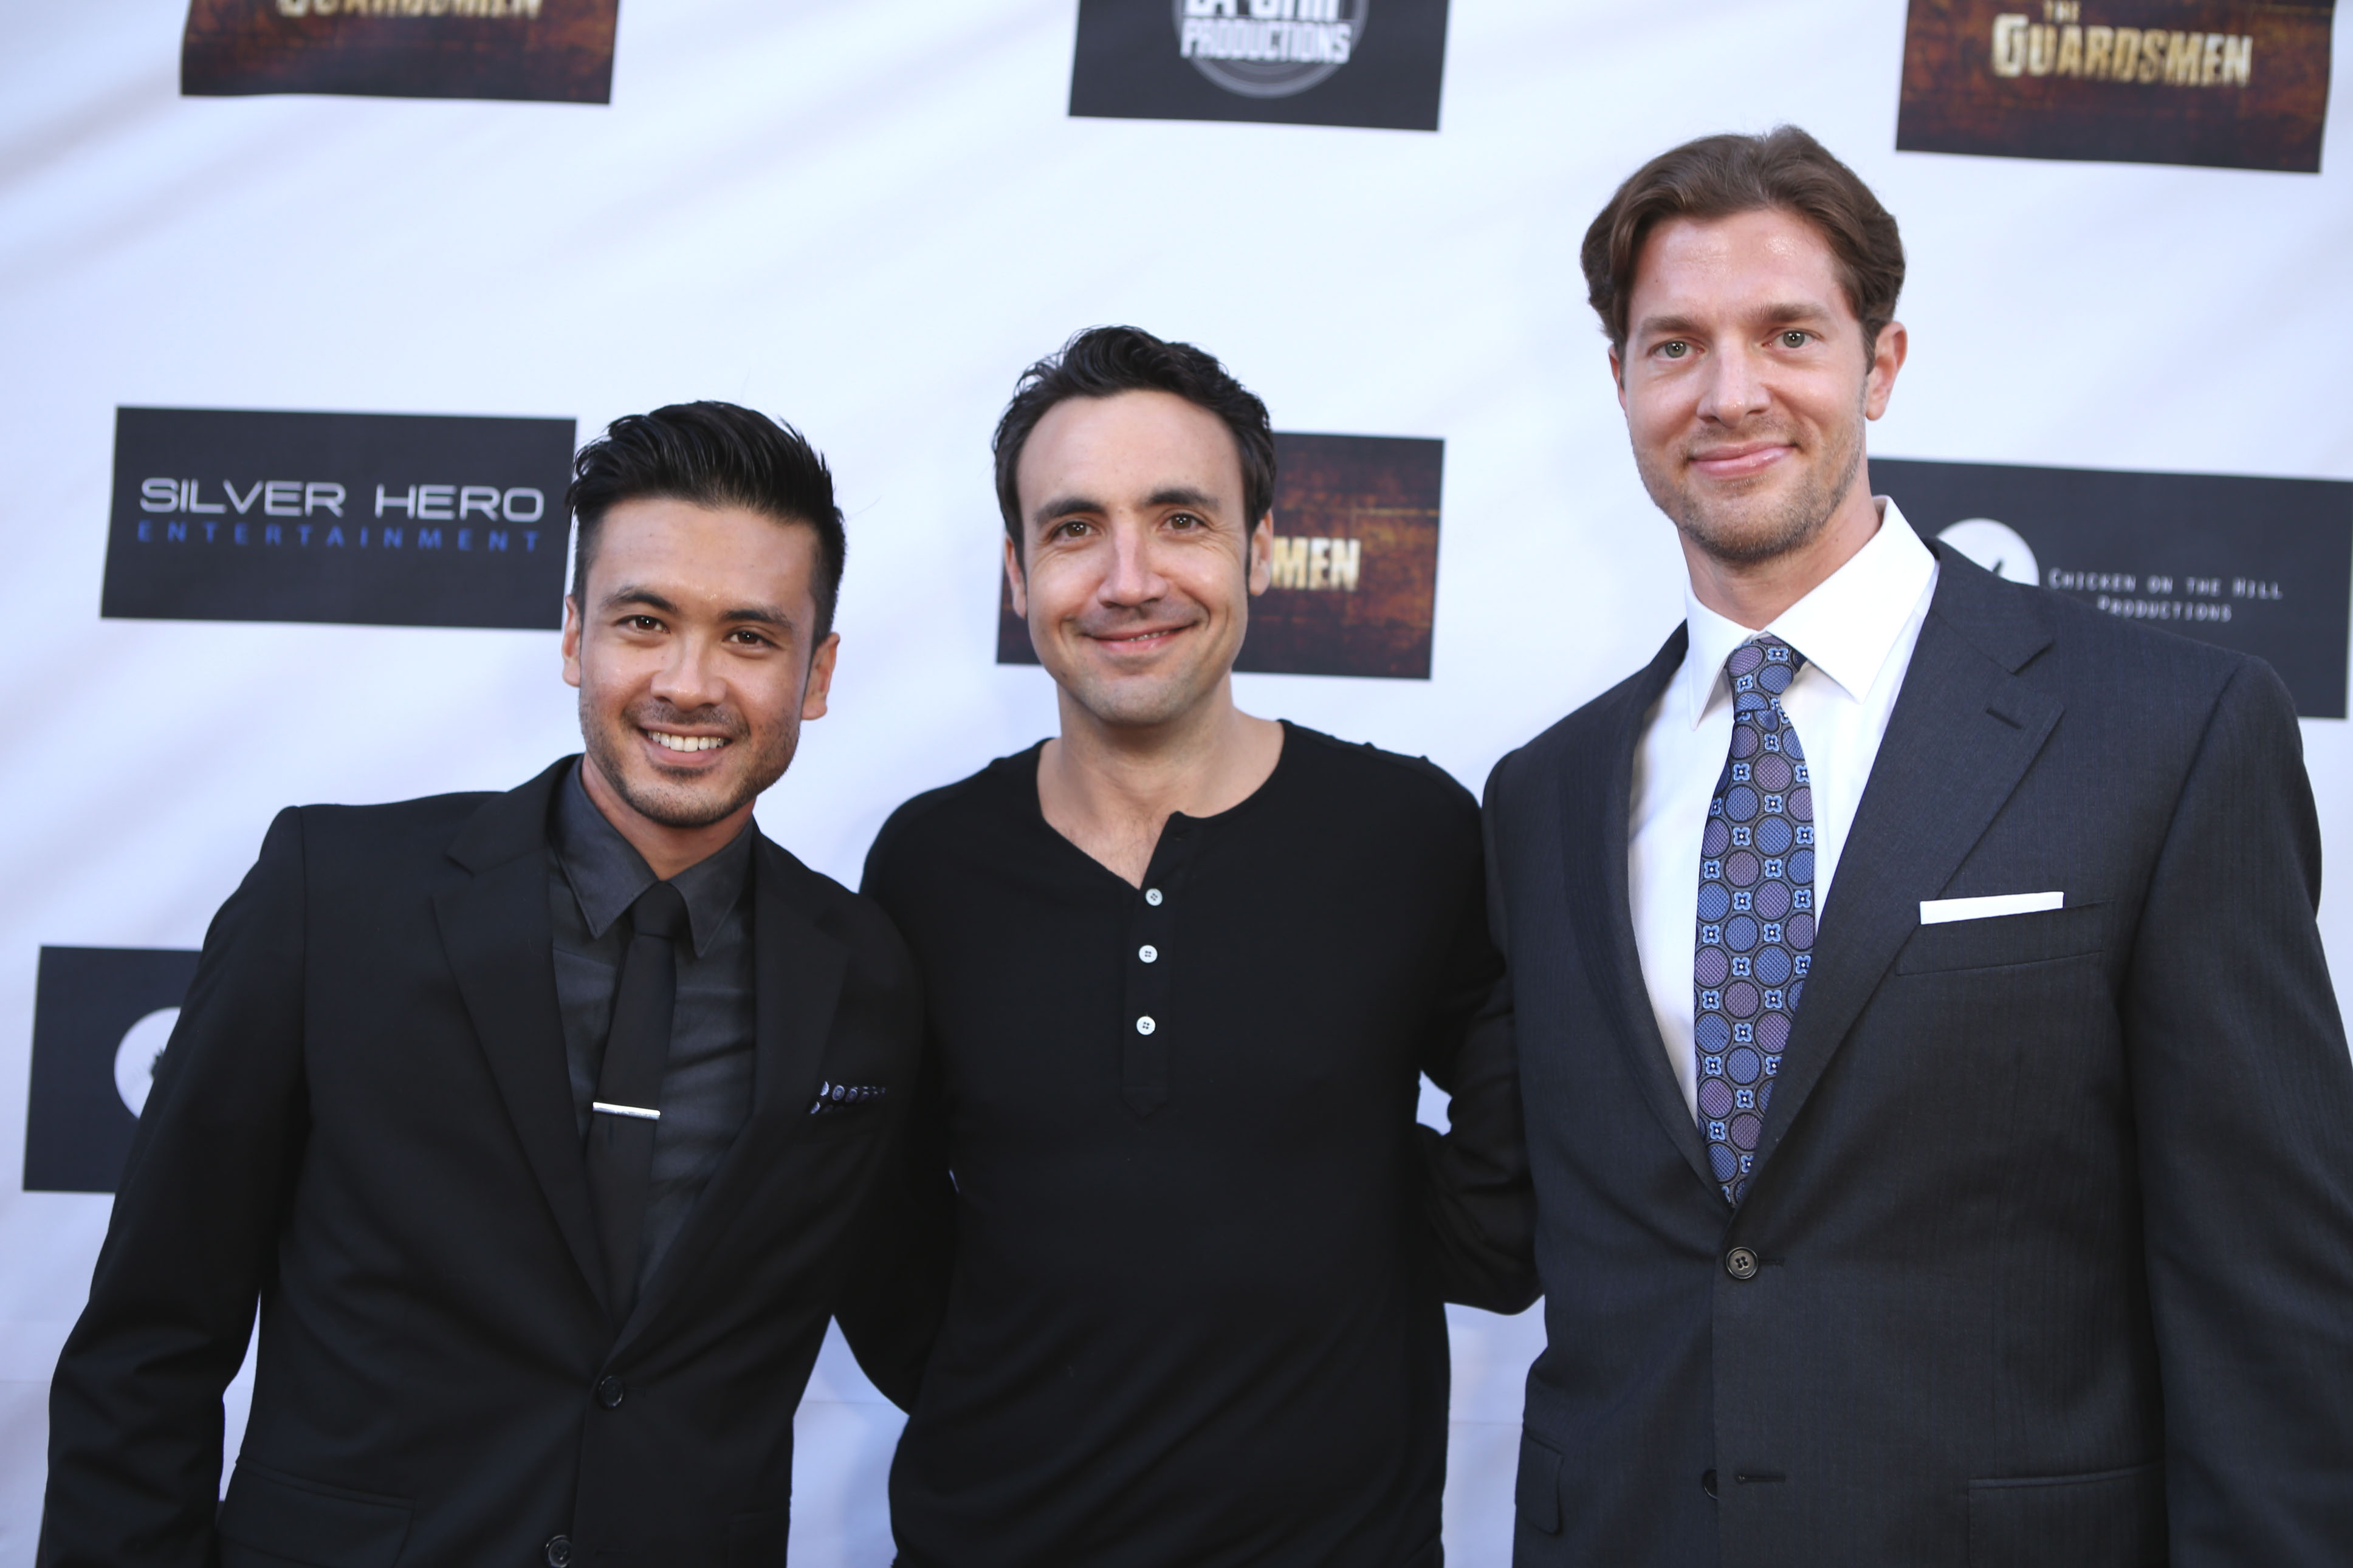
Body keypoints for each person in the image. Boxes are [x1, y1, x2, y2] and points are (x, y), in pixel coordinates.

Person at [1482, 125, 2353, 1566]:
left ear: (1880, 366)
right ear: (1624, 383)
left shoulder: (2167, 731)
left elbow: (2272, 1292)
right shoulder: (1546, 793)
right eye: (1673, 345)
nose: (1731, 392)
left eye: (1788, 334)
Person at [41, 403, 922, 1568]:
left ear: (817, 674)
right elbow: (150, 1337)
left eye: (752, 636)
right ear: (572, 638)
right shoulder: (336, 896)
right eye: (643, 621)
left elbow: (935, 1322)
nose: (689, 682)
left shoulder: (865, 972)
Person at [843, 326, 1534, 1567]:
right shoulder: (927, 863)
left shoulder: (1408, 833)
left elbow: (1507, 1192)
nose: (1126, 578)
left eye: (1179, 520)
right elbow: (881, 1238)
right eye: (1072, 530)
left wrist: (1341, 1210)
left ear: (1259, 551)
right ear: (1015, 573)